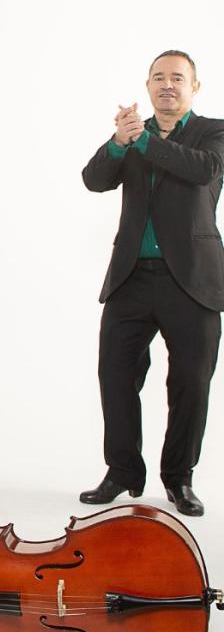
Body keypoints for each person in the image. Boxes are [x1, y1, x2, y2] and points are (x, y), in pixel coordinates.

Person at [80, 50, 224, 517]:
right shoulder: (132, 138)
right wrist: (119, 144)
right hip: (131, 278)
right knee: (115, 375)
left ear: (194, 87)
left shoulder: (213, 132)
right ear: (147, 87)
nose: (167, 85)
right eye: (159, 78)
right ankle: (122, 471)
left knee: (191, 384)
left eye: (177, 78)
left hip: (193, 282)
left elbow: (203, 170)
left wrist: (142, 142)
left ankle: (179, 478)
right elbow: (94, 180)